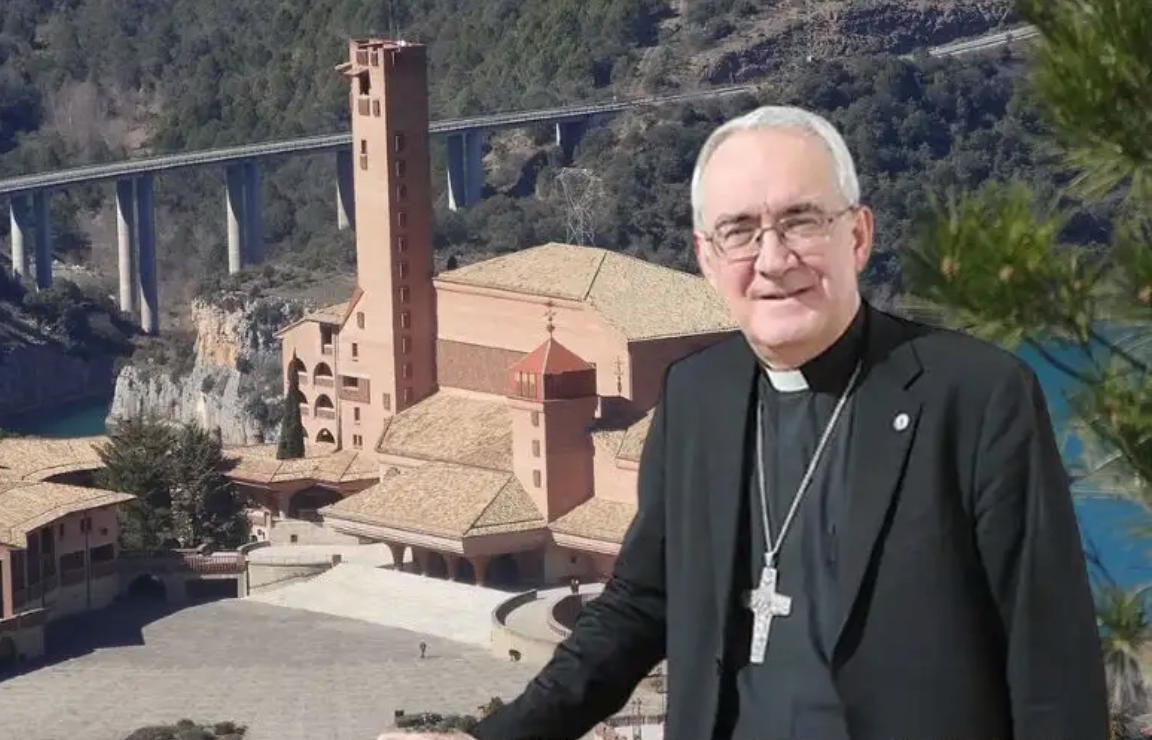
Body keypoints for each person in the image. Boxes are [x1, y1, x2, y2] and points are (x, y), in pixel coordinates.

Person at [392, 105, 1109, 740]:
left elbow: (1051, 660)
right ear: (707, 259)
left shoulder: (975, 396)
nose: (773, 259)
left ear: (858, 236)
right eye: (739, 231)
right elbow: (640, 605)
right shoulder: (695, 397)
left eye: (802, 221)